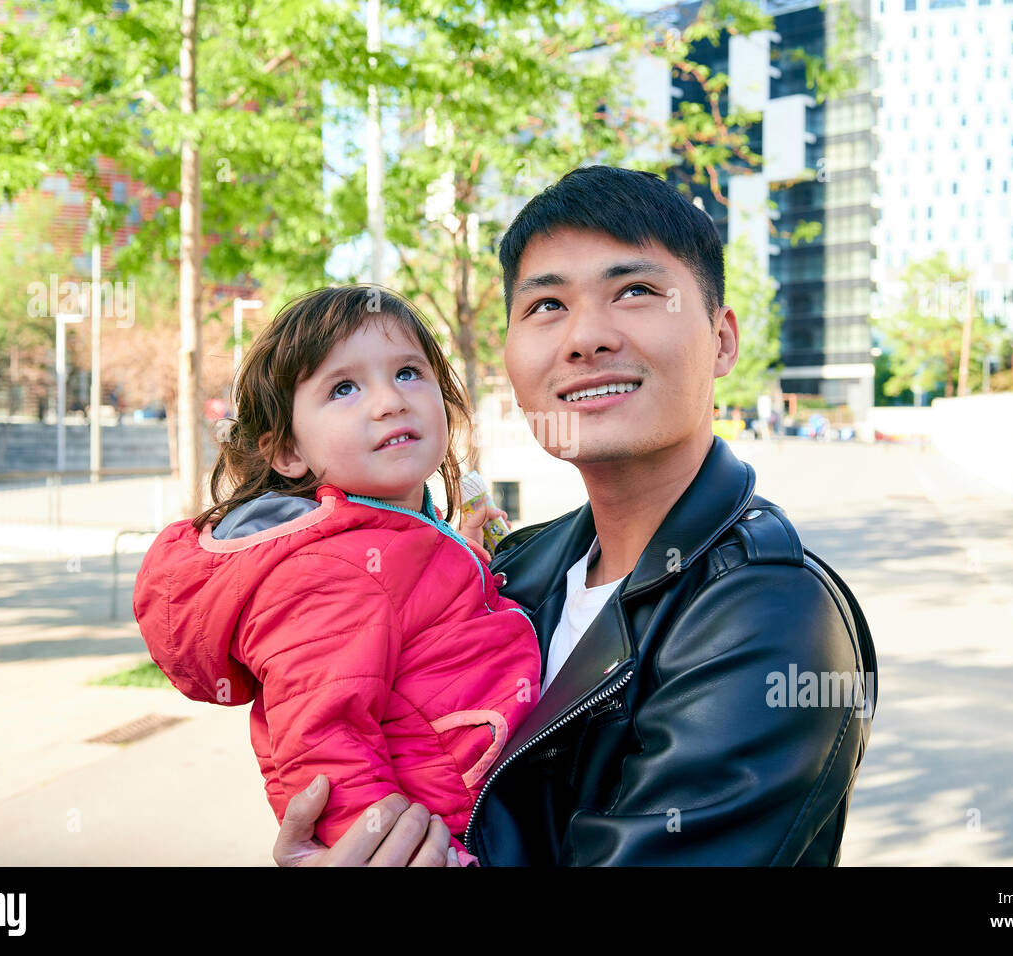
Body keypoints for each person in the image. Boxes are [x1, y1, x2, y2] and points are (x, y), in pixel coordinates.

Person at [274, 165, 877, 866]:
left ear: (721, 339)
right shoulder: (513, 568)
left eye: (636, 291)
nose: (586, 337)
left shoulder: (769, 613)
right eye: (546, 307)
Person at [133, 286, 539, 867]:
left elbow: (411, 619)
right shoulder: (324, 572)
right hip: (443, 841)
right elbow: (324, 745)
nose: (389, 401)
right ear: (287, 453)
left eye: (408, 372)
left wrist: (464, 556)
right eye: (343, 388)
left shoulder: (393, 534)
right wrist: (397, 854)